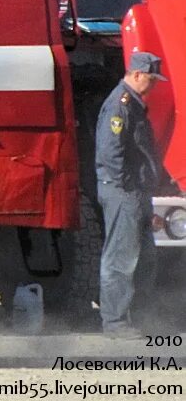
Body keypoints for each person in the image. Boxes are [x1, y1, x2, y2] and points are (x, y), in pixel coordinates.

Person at [96, 50, 169, 335]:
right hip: (123, 192)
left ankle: (140, 318)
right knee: (120, 259)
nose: (153, 86)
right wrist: (128, 188)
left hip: (135, 193)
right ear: (137, 75)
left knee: (143, 259)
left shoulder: (133, 105)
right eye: (151, 80)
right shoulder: (120, 106)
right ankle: (115, 322)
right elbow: (111, 153)